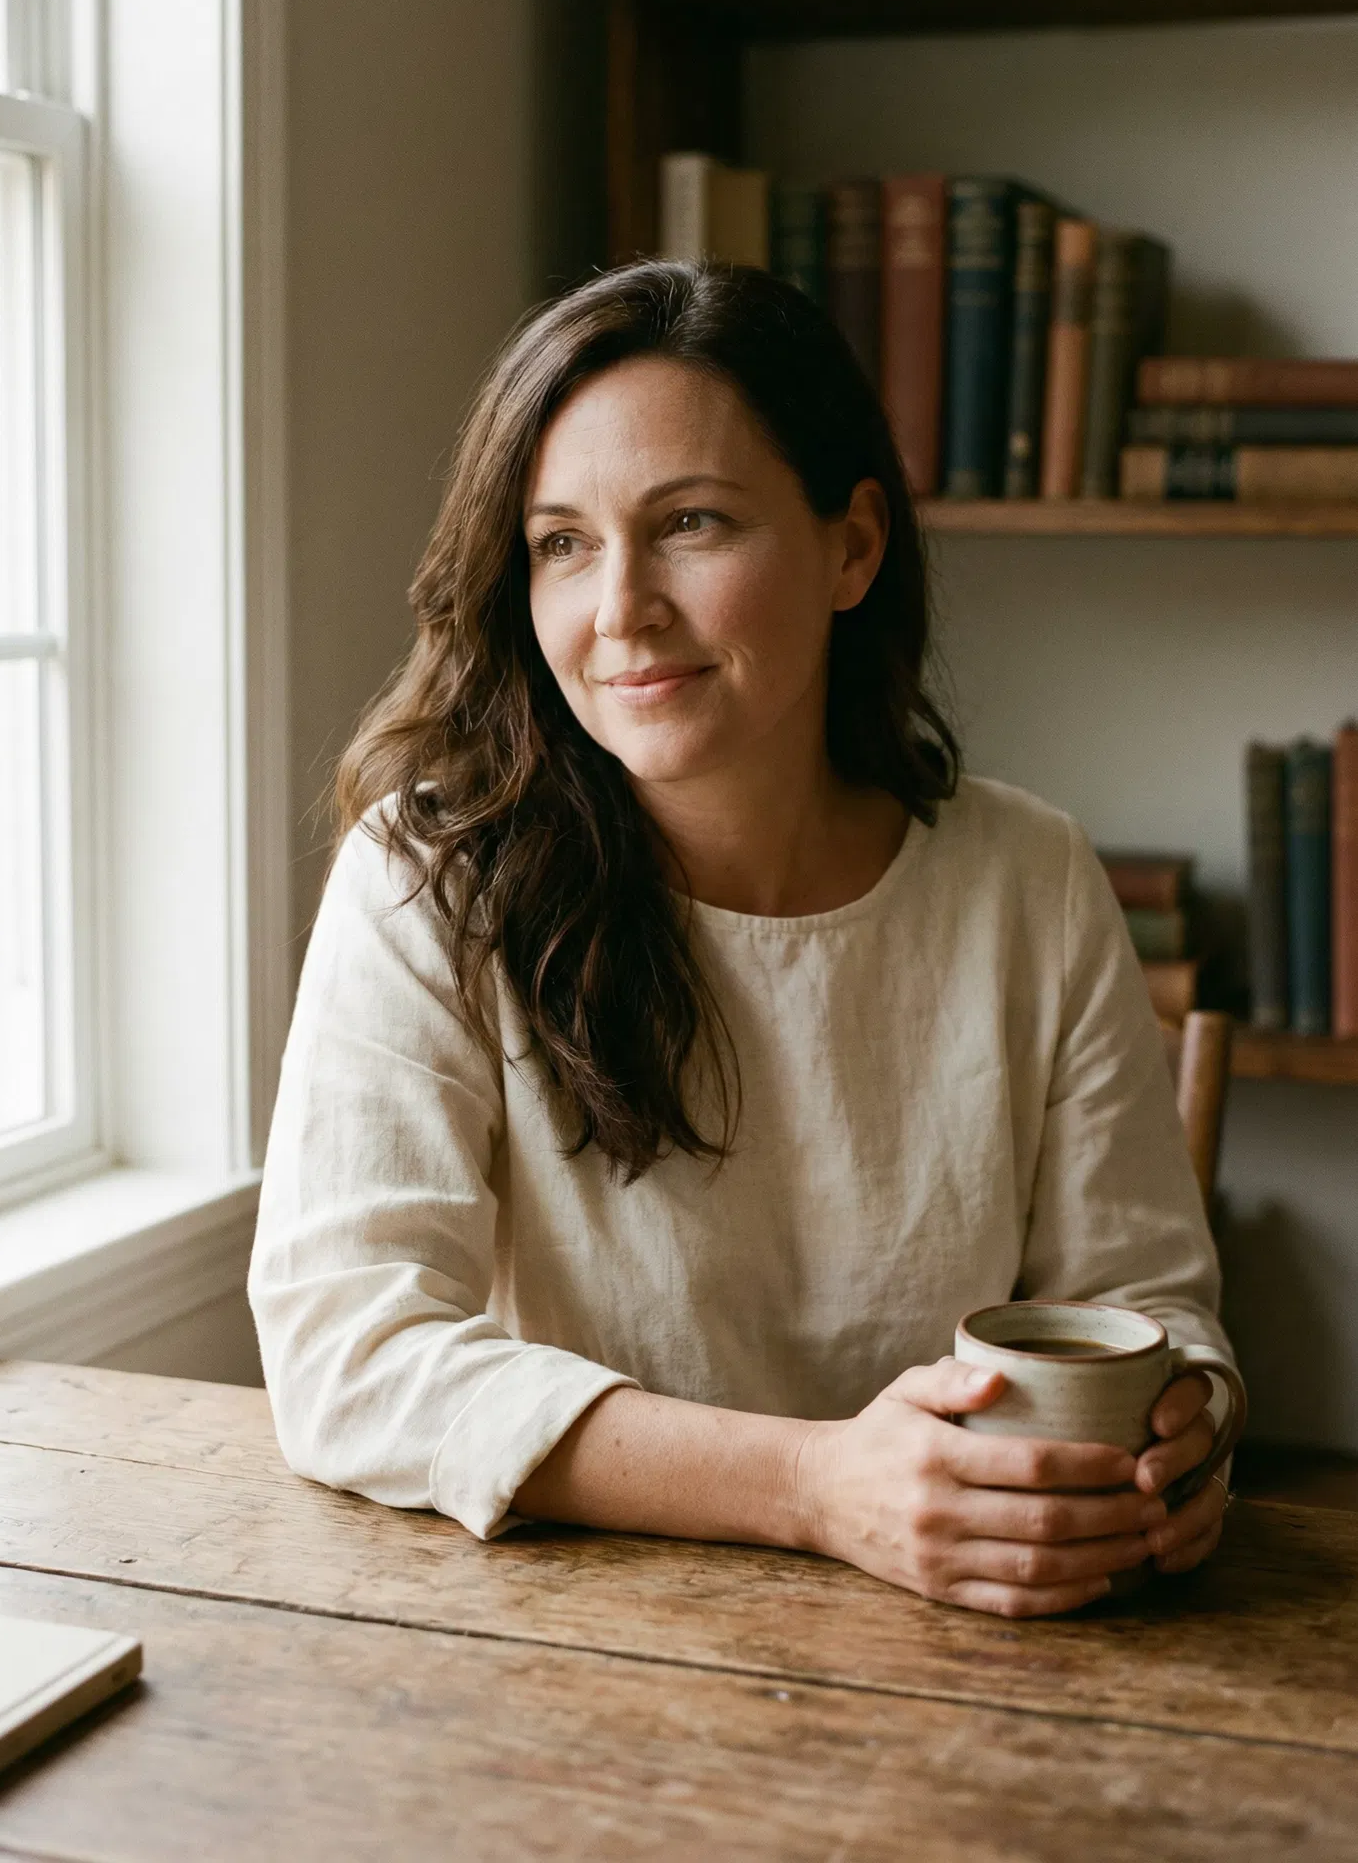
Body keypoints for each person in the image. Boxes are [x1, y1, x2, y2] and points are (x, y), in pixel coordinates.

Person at [249, 261, 1234, 1618]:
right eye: (561, 543)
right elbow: (345, 1353)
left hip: (977, 1644)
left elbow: (1146, 1299)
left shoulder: (1029, 880)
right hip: (568, 1638)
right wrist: (814, 1490)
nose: (619, 610)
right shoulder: (430, 884)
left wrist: (1182, 1419)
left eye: (691, 524)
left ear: (851, 546)